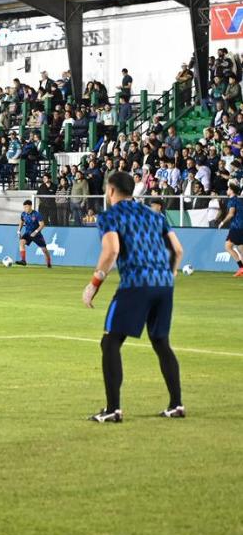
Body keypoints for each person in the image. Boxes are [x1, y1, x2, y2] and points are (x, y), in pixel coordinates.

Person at [82, 171, 185, 422]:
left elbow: (112, 250)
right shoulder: (154, 215)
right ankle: (176, 405)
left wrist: (94, 284)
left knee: (110, 343)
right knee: (161, 342)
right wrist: (166, 276)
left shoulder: (110, 216)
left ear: (111, 190)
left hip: (136, 283)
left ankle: (113, 409)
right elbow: (178, 250)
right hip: (164, 284)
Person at [217, 182, 243, 277]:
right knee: (241, 249)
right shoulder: (239, 200)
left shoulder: (232, 200)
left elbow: (231, 214)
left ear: (231, 191)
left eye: (228, 189)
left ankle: (241, 267)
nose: (227, 190)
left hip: (236, 227)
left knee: (228, 246)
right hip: (241, 227)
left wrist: (222, 222)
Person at [16, 200, 52, 267]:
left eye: (26, 207)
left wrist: (35, 232)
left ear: (30, 206)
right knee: (21, 242)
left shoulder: (36, 214)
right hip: (27, 233)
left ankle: (49, 263)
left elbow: (42, 224)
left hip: (37, 234)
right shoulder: (23, 214)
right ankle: (23, 260)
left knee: (44, 250)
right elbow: (21, 222)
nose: (25, 209)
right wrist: (18, 231)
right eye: (24, 207)